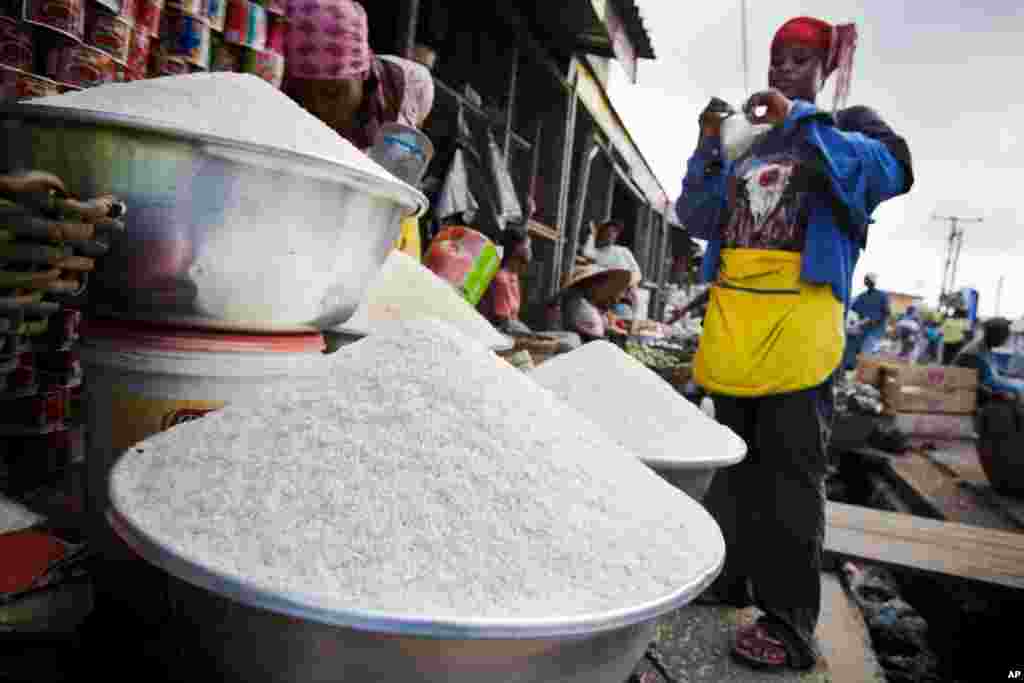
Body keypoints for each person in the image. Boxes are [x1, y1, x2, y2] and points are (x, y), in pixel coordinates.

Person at [674, 16, 913, 672]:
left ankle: (788, 621)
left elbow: (891, 171)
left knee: (790, 478)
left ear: (822, 70)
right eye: (778, 58)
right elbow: (695, 215)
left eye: (800, 59)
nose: (782, 68)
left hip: (800, 328)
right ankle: (729, 577)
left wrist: (801, 119)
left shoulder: (845, 128)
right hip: (738, 325)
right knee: (731, 466)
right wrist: (708, 147)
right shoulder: (746, 140)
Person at [284, 0, 435, 151]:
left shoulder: (410, 90)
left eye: (332, 93)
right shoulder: (284, 100)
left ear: (362, 73)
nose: (319, 109)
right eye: (305, 94)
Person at [479, 226, 532, 336]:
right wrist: (532, 335)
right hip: (498, 333)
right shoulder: (500, 278)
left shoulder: (513, 275)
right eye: (527, 246)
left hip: (511, 330)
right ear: (517, 249)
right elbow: (505, 323)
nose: (530, 250)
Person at [586, 219, 643, 319]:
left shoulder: (623, 251)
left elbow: (637, 273)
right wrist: (591, 235)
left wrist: (629, 284)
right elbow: (586, 252)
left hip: (626, 295)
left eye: (614, 232)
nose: (611, 234)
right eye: (608, 232)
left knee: (626, 316)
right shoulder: (597, 253)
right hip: (606, 297)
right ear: (601, 233)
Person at [559, 265, 632, 343]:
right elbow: (592, 333)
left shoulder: (589, 302)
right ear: (589, 284)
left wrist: (610, 329)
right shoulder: (578, 304)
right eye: (600, 284)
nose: (604, 288)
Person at [846, 272, 890, 369]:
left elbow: (886, 313)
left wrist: (870, 320)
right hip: (860, 329)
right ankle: (849, 368)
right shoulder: (862, 296)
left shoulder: (882, 296)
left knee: (865, 354)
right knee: (852, 349)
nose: (867, 281)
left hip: (874, 331)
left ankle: (859, 373)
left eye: (868, 279)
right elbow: (853, 312)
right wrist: (854, 324)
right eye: (866, 279)